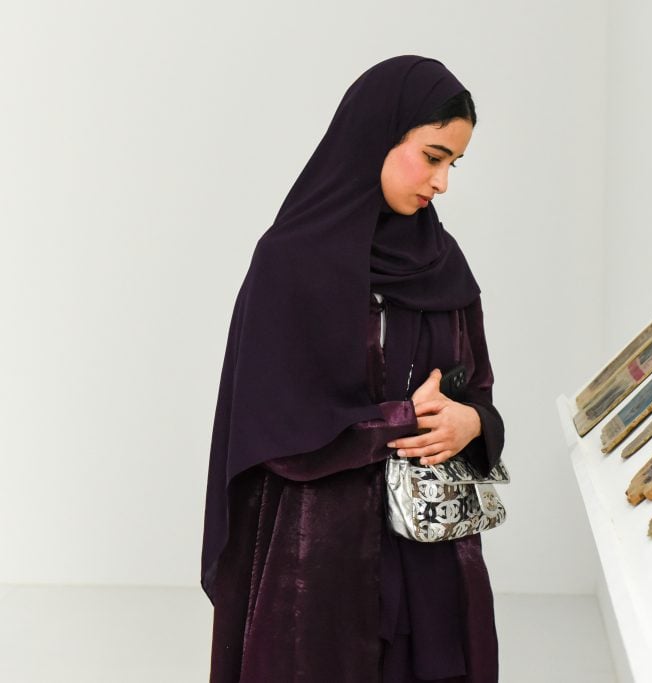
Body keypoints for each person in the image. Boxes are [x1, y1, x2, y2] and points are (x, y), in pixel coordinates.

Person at [201, 55, 504, 682]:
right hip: (320, 563)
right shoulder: (290, 261)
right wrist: (401, 421)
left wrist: (472, 423)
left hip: (430, 550)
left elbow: (475, 388)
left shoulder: (443, 263)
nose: (442, 183)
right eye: (433, 155)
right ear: (378, 135)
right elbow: (274, 427)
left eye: (453, 163)